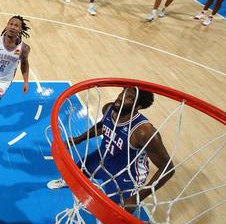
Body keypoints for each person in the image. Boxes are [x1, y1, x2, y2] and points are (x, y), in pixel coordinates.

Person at [47, 88, 175, 212]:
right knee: (78, 170)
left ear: (138, 107)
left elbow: (168, 168)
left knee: (115, 213)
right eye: (123, 92)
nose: (121, 97)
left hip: (126, 175)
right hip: (104, 157)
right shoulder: (110, 108)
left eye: (129, 97)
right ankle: (68, 182)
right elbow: (101, 126)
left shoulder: (143, 132)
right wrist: (79, 139)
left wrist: (137, 198)